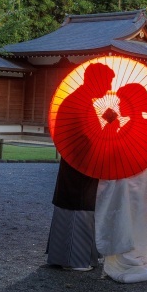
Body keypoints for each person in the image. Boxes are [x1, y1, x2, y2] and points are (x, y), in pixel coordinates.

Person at [94, 83, 147, 283]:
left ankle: (127, 253)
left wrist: (112, 128)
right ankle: (134, 250)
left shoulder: (138, 126)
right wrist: (112, 126)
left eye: (123, 101)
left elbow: (115, 151)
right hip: (135, 178)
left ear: (132, 105)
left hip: (128, 178)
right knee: (136, 215)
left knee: (126, 215)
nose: (119, 104)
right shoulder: (141, 125)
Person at [46, 62, 117, 271]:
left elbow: (88, 135)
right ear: (95, 81)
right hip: (81, 165)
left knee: (78, 207)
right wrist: (109, 126)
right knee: (79, 208)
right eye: (107, 82)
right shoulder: (81, 104)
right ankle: (75, 259)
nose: (108, 88)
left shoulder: (80, 101)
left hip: (76, 162)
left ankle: (70, 257)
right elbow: (90, 140)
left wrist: (104, 123)